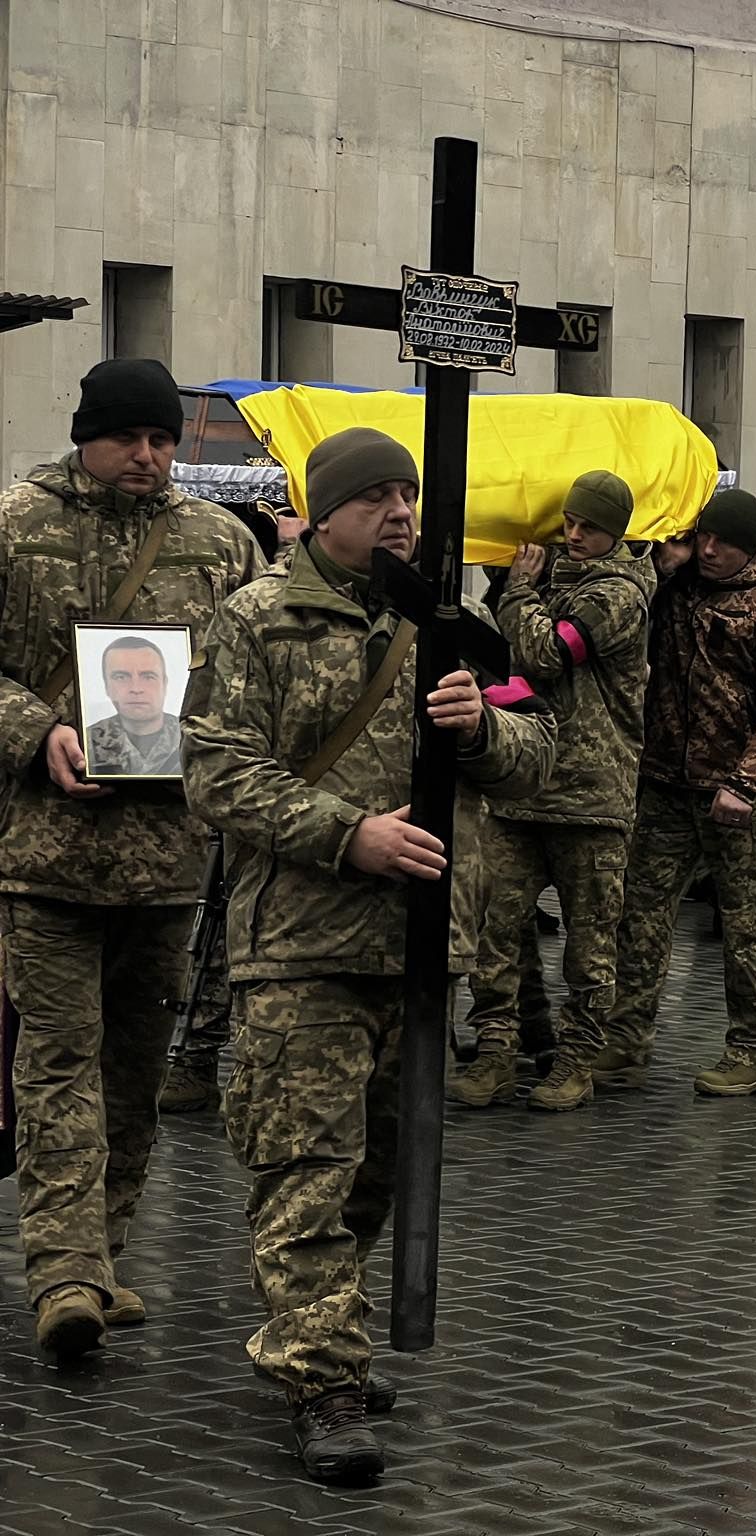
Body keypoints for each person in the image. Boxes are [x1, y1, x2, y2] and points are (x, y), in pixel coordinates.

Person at [181, 427, 556, 1484]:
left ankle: (322, 1336)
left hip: (421, 950)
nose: (399, 513)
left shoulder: (445, 620)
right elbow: (214, 771)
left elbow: (539, 751)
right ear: (328, 509)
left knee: (377, 1173)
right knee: (305, 1167)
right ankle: (322, 1378)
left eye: (410, 494)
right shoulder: (258, 617)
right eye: (377, 497)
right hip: (299, 948)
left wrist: (479, 728)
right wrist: (349, 834)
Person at [0, 358, 265, 1358]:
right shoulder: (16, 522)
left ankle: (100, 1258)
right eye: (129, 440)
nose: (150, 458)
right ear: (87, 435)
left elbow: (253, 677)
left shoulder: (216, 544)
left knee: (133, 1068)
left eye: (163, 440)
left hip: (169, 857)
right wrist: (35, 732)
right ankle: (62, 1277)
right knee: (57, 1060)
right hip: (43, 853)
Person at [591, 489, 756, 1096]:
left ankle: (753, 1052)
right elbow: (624, 607)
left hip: (740, 797)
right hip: (665, 784)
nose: (709, 551)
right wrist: (659, 565)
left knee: (746, 925)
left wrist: (746, 781)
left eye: (723, 544)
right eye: (703, 538)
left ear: (751, 547)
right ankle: (625, 1038)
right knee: (640, 914)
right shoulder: (674, 587)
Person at [449, 470, 655, 1113]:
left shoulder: (620, 593)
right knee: (494, 932)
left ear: (615, 531)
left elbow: (544, 654)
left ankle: (575, 1060)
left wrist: (516, 591)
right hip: (521, 787)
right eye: (567, 522)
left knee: (590, 948)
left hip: (592, 797)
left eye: (588, 526)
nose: (573, 535)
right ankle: (495, 1052)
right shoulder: (548, 582)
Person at [83, 635, 183, 777]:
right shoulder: (84, 743)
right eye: (121, 677)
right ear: (106, 686)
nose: (136, 688)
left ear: (164, 684)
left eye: (148, 677)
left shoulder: (193, 738)